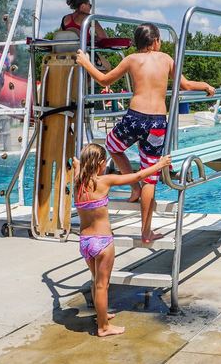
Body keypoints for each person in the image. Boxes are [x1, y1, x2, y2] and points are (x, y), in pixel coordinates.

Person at [75, 23, 215, 244]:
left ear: (138, 43)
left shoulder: (131, 59)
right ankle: (146, 232)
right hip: (157, 122)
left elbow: (104, 80)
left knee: (112, 146)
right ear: (156, 41)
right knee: (150, 176)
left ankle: (134, 187)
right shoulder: (166, 59)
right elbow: (186, 85)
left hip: (134, 117)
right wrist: (206, 85)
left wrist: (85, 62)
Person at [73, 143, 171, 336]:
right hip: (102, 242)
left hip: (85, 242)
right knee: (103, 285)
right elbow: (137, 177)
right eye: (105, 162)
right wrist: (159, 165)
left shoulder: (77, 182)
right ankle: (103, 327)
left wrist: (77, 165)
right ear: (100, 163)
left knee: (96, 282)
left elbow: (77, 168)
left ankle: (102, 316)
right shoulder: (104, 181)